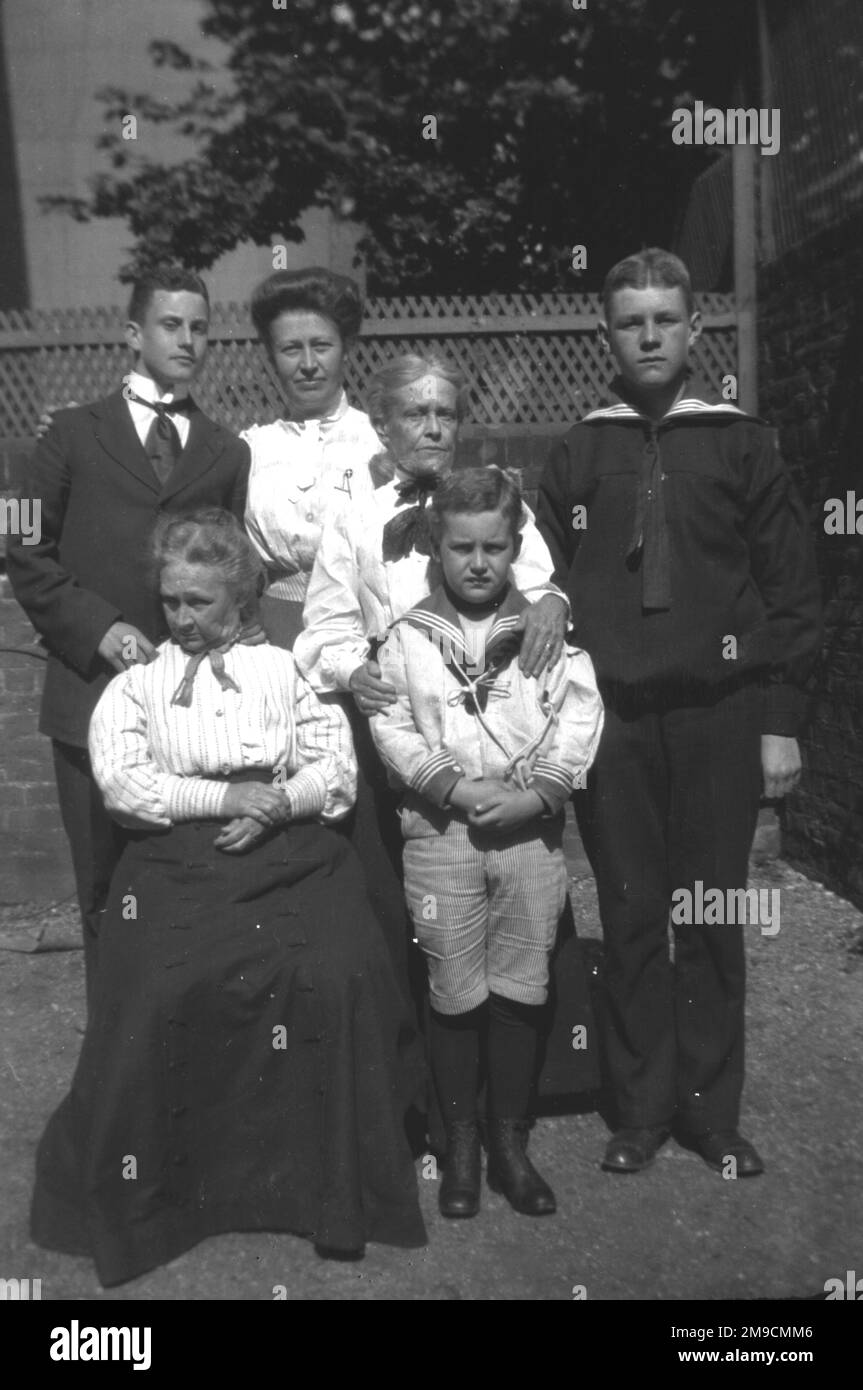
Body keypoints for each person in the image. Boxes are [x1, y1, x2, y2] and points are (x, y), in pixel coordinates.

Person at [29, 508, 426, 1287]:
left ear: (240, 599)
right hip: (176, 856)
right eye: (171, 600)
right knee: (159, 987)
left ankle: (327, 1191)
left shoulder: (287, 673)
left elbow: (334, 771)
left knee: (336, 973)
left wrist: (277, 802)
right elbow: (125, 784)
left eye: (199, 603)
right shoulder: (137, 685)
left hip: (293, 849)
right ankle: (171, 1200)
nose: (180, 618)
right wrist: (224, 802)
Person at [535, 248, 823, 1179]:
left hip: (718, 715)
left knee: (709, 915)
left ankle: (709, 1113)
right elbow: (541, 581)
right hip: (612, 722)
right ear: (606, 336)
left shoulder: (741, 442)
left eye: (665, 319)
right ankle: (640, 1110)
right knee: (628, 917)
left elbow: (792, 592)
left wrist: (778, 718)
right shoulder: (581, 449)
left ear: (693, 329)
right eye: (630, 321)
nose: (648, 335)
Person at [5, 267, 250, 1006]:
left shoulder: (225, 450)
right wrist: (99, 628)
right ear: (133, 334)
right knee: (102, 883)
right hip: (88, 695)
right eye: (172, 325)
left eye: (200, 327)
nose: (188, 340)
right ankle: (116, 1051)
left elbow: (230, 567)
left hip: (188, 705)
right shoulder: (70, 433)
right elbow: (20, 543)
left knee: (186, 874)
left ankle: (187, 1034)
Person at [294, 352, 570, 991]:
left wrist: (553, 601)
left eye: (446, 413)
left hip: (497, 730)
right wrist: (351, 669)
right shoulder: (356, 517)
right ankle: (418, 1062)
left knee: (515, 891)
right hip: (402, 731)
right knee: (407, 902)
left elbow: (540, 583)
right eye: (415, 413)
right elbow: (324, 629)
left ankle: (513, 1042)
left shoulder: (498, 505)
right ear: (383, 425)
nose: (434, 428)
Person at [370, 468, 604, 1220]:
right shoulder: (408, 637)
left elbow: (578, 713)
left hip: (529, 835)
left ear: (515, 547)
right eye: (462, 548)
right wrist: (454, 788)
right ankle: (460, 1143)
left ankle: (510, 1144)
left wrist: (539, 793)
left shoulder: (544, 633)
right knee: (453, 986)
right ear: (435, 549)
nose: (478, 564)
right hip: (440, 834)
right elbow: (391, 723)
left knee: (517, 985)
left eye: (494, 548)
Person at [241, 267, 383, 649]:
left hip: (365, 629)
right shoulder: (251, 450)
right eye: (290, 349)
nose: (307, 364)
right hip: (274, 636)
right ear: (272, 356)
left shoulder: (379, 442)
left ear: (346, 348)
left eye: (321, 345)